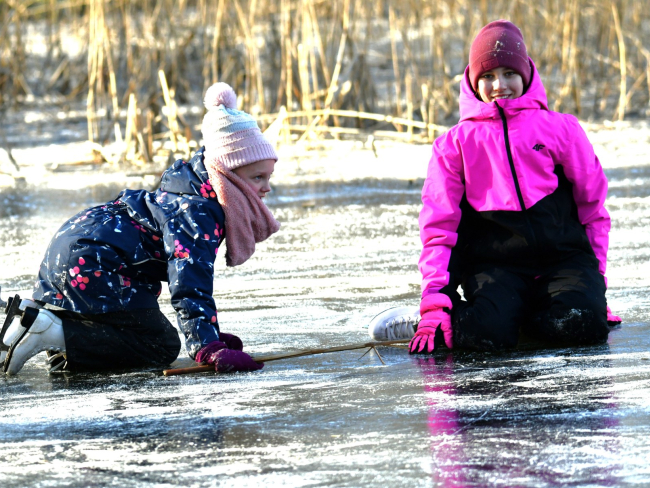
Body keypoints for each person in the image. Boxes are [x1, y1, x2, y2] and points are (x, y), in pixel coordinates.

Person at [369, 20, 621, 352]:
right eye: (487, 76)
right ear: (473, 82)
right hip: (496, 267)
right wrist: (435, 300)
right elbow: (439, 227)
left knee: (582, 323)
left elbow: (593, 209)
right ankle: (422, 321)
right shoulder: (454, 145)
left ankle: (534, 314)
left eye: (508, 73)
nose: (499, 84)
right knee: (487, 335)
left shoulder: (562, 130)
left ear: (526, 76)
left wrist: (596, 283)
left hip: (564, 261)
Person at [1, 82, 279, 375]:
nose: (267, 187)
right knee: (158, 344)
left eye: (269, 176)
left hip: (76, 249)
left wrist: (213, 335)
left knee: (112, 340)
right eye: (258, 177)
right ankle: (54, 334)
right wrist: (206, 346)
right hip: (97, 261)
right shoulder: (198, 211)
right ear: (228, 174)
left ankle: (44, 331)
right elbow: (190, 282)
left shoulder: (190, 194)